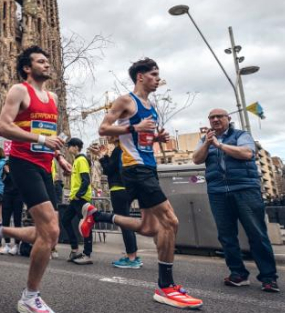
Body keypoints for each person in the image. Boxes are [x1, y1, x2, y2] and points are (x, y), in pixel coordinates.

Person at [80, 58, 203, 309]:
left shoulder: (151, 107)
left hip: (148, 166)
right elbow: (103, 129)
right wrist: (135, 127)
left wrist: (156, 138)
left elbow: (142, 139)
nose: (158, 79)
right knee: (170, 222)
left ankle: (97, 215)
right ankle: (166, 286)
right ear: (140, 76)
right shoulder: (126, 101)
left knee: (149, 227)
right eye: (154, 75)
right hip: (135, 168)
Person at [0, 45, 72, 313]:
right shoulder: (20, 90)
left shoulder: (52, 97)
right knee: (50, 230)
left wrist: (58, 156)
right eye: (40, 61)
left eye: (47, 61)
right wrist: (41, 139)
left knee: (50, 234)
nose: (47, 64)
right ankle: (30, 297)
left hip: (45, 166)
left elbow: (49, 134)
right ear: (27, 68)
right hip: (23, 163)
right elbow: (2, 127)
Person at [193, 107, 279, 292]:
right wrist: (208, 144)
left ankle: (269, 277)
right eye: (212, 117)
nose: (215, 120)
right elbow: (196, 159)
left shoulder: (241, 135)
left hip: (245, 189)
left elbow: (247, 153)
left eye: (219, 116)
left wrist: (220, 145)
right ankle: (238, 274)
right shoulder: (205, 139)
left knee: (256, 233)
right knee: (226, 235)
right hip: (217, 192)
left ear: (228, 119)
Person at [94, 140, 141, 269]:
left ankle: (131, 258)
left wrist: (102, 157)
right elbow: (113, 167)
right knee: (127, 222)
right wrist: (105, 155)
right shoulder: (125, 150)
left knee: (124, 223)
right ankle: (133, 255)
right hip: (126, 189)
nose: (108, 137)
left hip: (118, 189)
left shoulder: (118, 150)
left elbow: (108, 170)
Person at [61, 138, 94, 265]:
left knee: (86, 225)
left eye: (69, 146)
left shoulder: (81, 160)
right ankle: (74, 249)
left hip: (81, 199)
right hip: (75, 199)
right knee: (65, 220)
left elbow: (86, 180)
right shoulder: (77, 160)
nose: (68, 148)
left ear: (75, 147)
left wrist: (78, 195)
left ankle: (87, 254)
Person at [0, 155, 24, 255]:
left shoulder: (21, 167)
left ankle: (17, 245)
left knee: (17, 220)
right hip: (7, 195)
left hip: (18, 196)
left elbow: (17, 181)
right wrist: (7, 172)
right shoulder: (5, 166)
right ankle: (7, 244)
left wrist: (9, 172)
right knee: (5, 220)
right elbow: (4, 180)